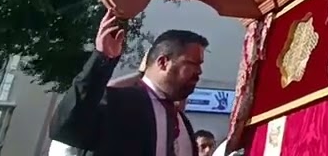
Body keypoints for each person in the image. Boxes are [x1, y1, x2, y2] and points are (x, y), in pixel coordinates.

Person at [50, 9, 209, 156]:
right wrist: (101, 60)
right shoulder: (116, 102)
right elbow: (66, 129)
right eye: (192, 63)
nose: (199, 72)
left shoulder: (182, 122)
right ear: (163, 62)